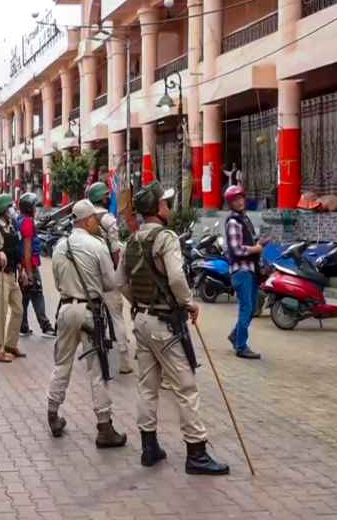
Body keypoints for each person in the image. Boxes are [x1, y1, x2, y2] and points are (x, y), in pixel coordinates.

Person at [123, 182, 229, 475]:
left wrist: (140, 302)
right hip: (165, 323)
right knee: (186, 388)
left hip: (142, 322)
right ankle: (196, 453)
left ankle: (149, 448)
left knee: (147, 387)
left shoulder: (132, 241)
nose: (168, 208)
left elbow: (120, 282)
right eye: (165, 204)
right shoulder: (166, 238)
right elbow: (177, 278)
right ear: (156, 209)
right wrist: (189, 303)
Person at [47, 199, 127, 447]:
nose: (98, 222)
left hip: (65, 308)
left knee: (62, 364)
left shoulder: (59, 247)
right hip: (91, 312)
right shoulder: (97, 246)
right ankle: (105, 427)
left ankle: (52, 413)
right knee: (97, 370)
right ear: (88, 220)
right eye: (95, 218)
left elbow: (57, 279)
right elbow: (110, 282)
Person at [88, 182, 134, 374]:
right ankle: (125, 362)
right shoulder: (108, 219)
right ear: (103, 198)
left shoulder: (86, 219)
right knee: (117, 317)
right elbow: (115, 250)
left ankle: (94, 355)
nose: (109, 198)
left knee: (92, 317)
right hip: (109, 275)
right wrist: (117, 270)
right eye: (107, 196)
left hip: (90, 276)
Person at [224, 185, 264, 359]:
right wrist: (256, 248)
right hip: (241, 271)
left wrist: (261, 243)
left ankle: (236, 335)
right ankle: (241, 346)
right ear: (230, 203)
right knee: (246, 308)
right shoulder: (233, 222)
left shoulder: (244, 219)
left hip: (251, 270)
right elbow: (236, 250)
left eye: (240, 198)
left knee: (251, 307)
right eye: (235, 200)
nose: (239, 202)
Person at [0, 194, 25, 363]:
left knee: (18, 310)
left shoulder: (12, 227)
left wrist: (21, 270)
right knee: (2, 313)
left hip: (13, 274)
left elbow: (17, 250)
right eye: (9, 207)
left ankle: (10, 344)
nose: (12, 210)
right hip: (0, 275)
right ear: (3, 210)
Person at [17, 193, 55, 337]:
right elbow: (27, 250)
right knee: (37, 293)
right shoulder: (27, 222)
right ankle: (46, 326)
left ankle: (23, 325)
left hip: (22, 266)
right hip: (29, 265)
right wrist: (30, 273)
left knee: (25, 296)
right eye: (34, 206)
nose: (36, 209)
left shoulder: (19, 220)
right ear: (29, 208)